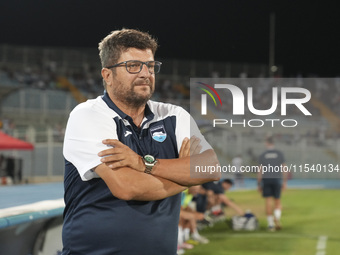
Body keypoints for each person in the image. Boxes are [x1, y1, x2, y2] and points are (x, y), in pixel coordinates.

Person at [62, 28, 220, 255]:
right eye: (133, 66)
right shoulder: (88, 115)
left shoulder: (174, 116)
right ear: (107, 75)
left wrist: (143, 164)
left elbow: (211, 168)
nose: (146, 73)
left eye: (150, 65)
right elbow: (128, 187)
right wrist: (185, 179)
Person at [257, 136, 287, 231]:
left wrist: (258, 183)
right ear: (273, 143)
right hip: (277, 179)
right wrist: (285, 181)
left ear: (266, 143)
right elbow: (284, 168)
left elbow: (260, 170)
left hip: (266, 179)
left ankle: (270, 224)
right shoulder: (279, 154)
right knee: (277, 201)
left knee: (268, 201)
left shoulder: (263, 155)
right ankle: (276, 218)